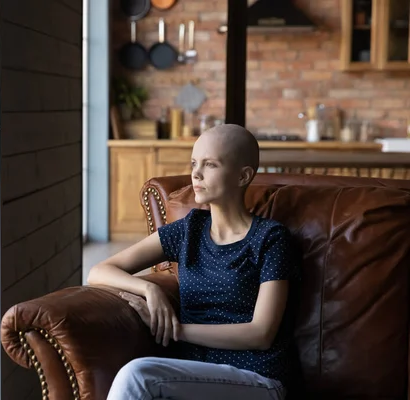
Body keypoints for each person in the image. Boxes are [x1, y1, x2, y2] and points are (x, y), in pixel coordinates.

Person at [87, 124, 300, 400]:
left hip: (258, 377)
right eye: (194, 163)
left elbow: (261, 333)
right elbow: (99, 271)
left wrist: (177, 331)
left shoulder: (270, 238)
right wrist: (149, 290)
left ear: (242, 175)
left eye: (210, 164)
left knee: (138, 376)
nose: (195, 174)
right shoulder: (190, 230)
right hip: (194, 374)